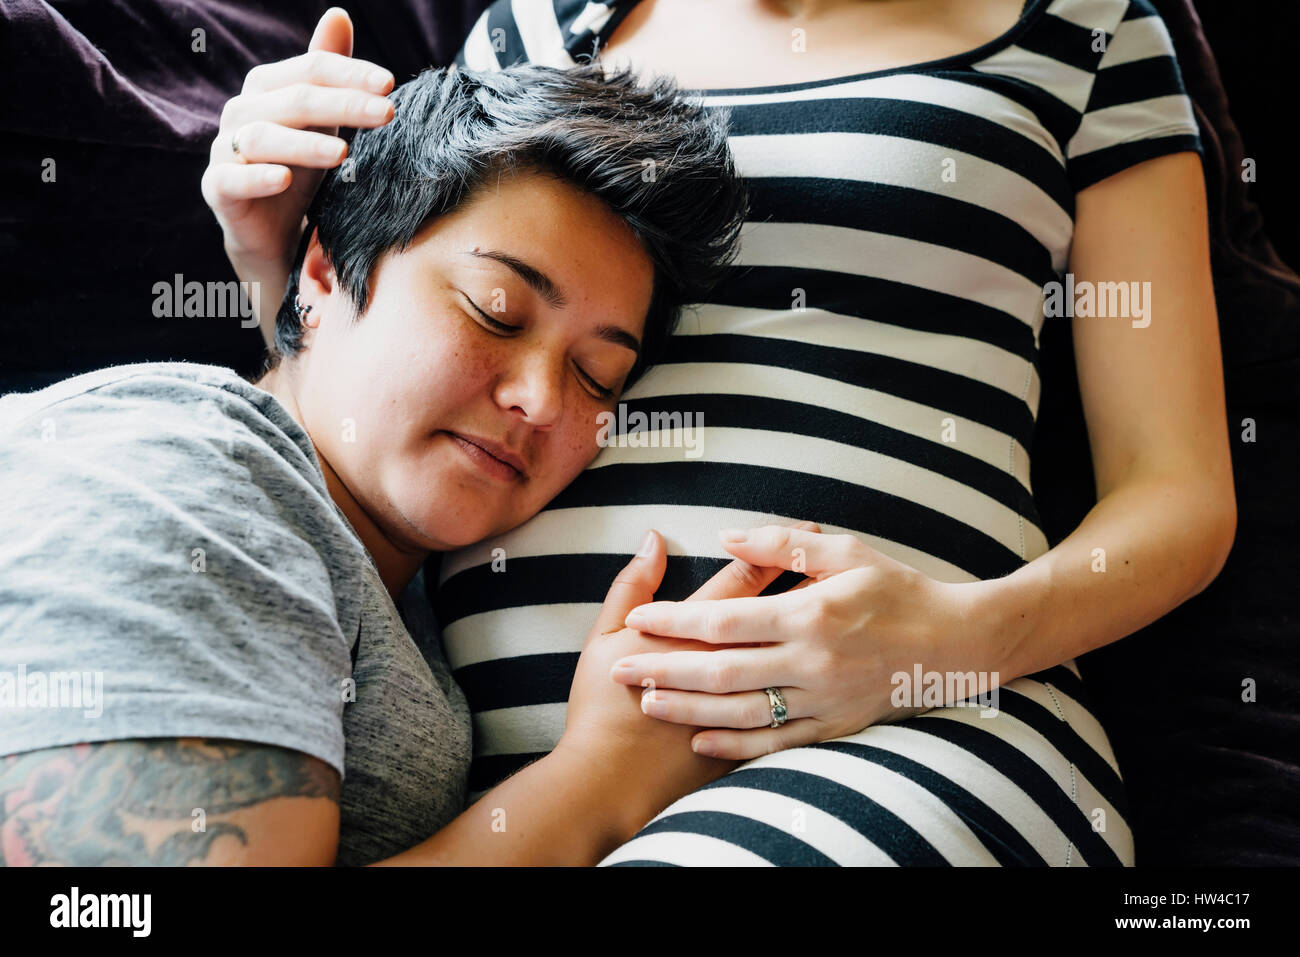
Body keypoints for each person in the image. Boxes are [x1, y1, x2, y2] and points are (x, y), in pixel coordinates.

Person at [202, 1, 1237, 865]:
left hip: (911, 735)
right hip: (521, 802)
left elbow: (1178, 488)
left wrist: (947, 646)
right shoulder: (532, 31)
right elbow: (400, 364)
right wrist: (270, 251)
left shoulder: (1085, 27)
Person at [0, 60, 762, 866]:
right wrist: (598, 784)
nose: (542, 399)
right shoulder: (188, 472)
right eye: (495, 312)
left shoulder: (402, 596)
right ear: (325, 270)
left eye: (595, 376)